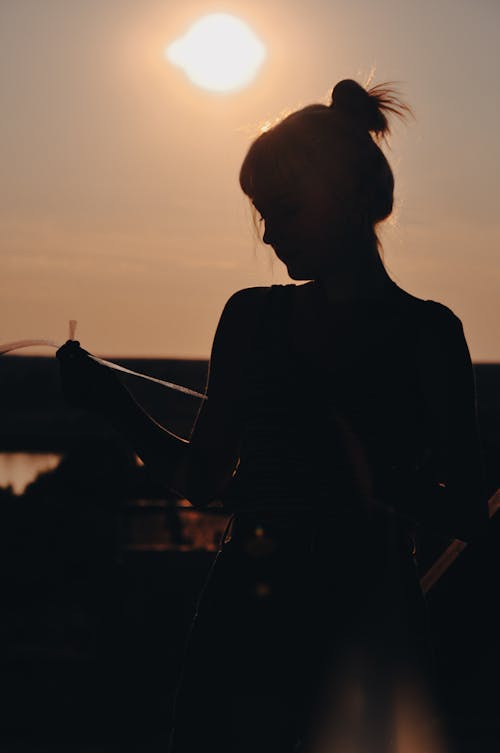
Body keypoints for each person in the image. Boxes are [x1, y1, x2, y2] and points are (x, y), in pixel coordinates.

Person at [57, 79, 488, 752]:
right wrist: (112, 404)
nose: (268, 232)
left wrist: (376, 475)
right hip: (260, 616)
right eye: (262, 212)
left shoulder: (427, 334)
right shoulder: (254, 318)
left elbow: (466, 513)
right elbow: (204, 478)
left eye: (283, 209)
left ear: (348, 198)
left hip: (352, 622)